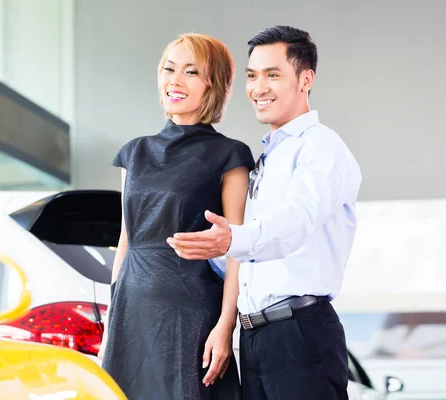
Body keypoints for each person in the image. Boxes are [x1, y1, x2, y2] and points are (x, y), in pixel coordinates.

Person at [167, 25, 362, 400]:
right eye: (253, 76)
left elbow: (295, 222)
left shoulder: (319, 147)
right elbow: (242, 257)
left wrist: (232, 239)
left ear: (306, 79)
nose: (259, 87)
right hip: (254, 338)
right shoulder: (268, 157)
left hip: (299, 334)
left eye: (273, 75)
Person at [99, 33, 255, 399]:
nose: (175, 80)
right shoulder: (134, 152)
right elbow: (126, 240)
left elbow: (238, 251)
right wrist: (111, 320)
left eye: (191, 72)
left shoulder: (230, 155)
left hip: (190, 311)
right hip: (131, 310)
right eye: (169, 69)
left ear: (213, 84)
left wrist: (225, 326)